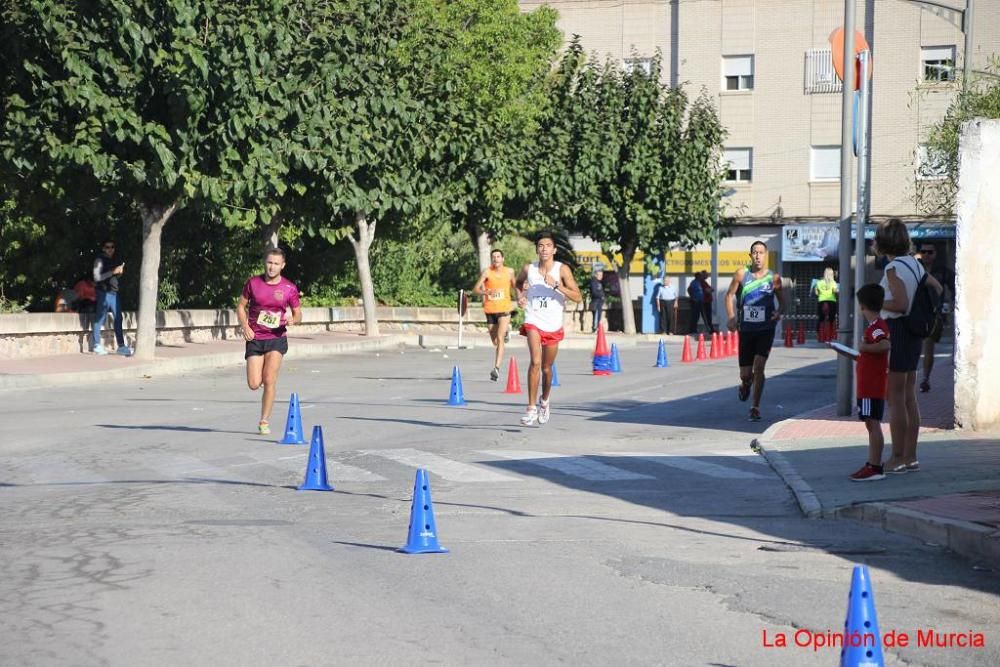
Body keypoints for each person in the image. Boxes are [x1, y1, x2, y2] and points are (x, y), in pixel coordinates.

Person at [875, 220, 942, 473]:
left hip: (898, 332)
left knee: (895, 399)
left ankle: (897, 457)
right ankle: (911, 456)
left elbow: (900, 304)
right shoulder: (915, 264)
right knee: (909, 397)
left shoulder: (893, 268)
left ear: (883, 242)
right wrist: (929, 312)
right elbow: (934, 287)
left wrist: (876, 303)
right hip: (914, 333)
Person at [515, 232, 582, 426]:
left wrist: (557, 286)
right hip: (533, 319)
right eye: (540, 245)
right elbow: (518, 284)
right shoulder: (529, 268)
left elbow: (577, 296)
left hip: (553, 324)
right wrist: (520, 296)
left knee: (546, 368)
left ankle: (544, 401)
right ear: (537, 249)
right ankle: (530, 408)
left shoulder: (562, 270)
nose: (544, 249)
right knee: (535, 362)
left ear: (554, 250)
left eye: (548, 245)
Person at [236, 247, 302, 435]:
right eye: (269, 262)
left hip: (276, 338)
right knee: (254, 384)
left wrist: (293, 320)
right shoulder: (253, 283)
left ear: (282, 266)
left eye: (276, 264)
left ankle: (264, 420)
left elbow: (298, 314)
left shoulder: (289, 288)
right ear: (265, 263)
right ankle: (264, 381)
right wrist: (245, 326)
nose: (272, 267)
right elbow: (240, 307)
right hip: (255, 338)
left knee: (269, 379)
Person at [830, 284, 891, 482]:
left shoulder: (875, 328)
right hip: (871, 384)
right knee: (871, 424)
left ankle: (874, 466)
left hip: (871, 386)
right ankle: (873, 463)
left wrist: (864, 347)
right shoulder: (876, 326)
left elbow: (884, 345)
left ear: (862, 305)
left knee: (872, 424)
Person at [725, 241, 785, 422]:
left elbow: (783, 302)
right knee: (746, 373)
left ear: (766, 255)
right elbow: (728, 295)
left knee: (759, 367)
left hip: (765, 329)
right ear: (750, 256)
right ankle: (745, 383)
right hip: (746, 330)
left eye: (761, 252)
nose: (758, 256)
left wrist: (779, 312)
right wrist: (730, 316)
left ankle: (755, 407)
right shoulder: (741, 274)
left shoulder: (773, 278)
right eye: (755, 253)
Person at [915, 243, 955, 393]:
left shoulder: (942, 271)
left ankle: (925, 379)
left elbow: (954, 285)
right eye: (923, 251)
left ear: (935, 254)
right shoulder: (915, 268)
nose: (926, 254)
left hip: (934, 313)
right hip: (915, 312)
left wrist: (951, 303)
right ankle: (912, 376)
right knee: (915, 346)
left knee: (929, 345)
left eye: (929, 252)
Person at [472, 249, 518, 381]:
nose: (496, 259)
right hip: (490, 310)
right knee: (495, 341)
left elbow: (515, 286)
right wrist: (484, 292)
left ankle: (496, 368)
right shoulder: (487, 272)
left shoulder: (509, 272)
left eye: (498, 256)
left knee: (500, 336)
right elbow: (475, 289)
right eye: (494, 257)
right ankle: (507, 334)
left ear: (503, 259)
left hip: (504, 309)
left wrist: (520, 295)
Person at [91, 239, 131, 356]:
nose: (110, 249)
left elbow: (113, 278)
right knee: (100, 318)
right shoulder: (99, 260)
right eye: (107, 247)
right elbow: (97, 277)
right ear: (103, 248)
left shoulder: (114, 260)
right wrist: (113, 272)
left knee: (118, 318)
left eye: (112, 247)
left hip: (114, 293)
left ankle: (121, 346)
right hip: (103, 293)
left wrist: (119, 273)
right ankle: (97, 345)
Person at [813, 267, 839, 336]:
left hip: (821, 300)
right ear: (831, 274)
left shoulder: (819, 282)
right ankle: (830, 333)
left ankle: (819, 333)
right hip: (831, 301)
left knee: (821, 318)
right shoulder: (833, 282)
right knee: (831, 318)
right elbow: (834, 291)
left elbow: (816, 293)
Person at [589, 266, 605, 333]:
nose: (601, 276)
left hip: (599, 302)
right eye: (600, 275)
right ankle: (595, 328)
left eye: (602, 275)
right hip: (596, 302)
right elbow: (594, 292)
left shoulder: (599, 282)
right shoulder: (594, 282)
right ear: (596, 275)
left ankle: (596, 327)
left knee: (598, 316)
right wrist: (601, 296)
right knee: (596, 315)